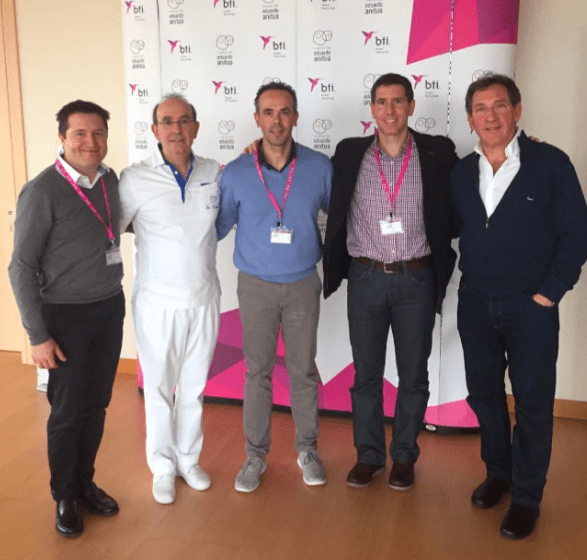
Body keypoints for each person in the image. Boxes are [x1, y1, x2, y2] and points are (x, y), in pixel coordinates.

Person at [451, 74, 587, 539]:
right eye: (480, 108)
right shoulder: (461, 171)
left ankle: (527, 497)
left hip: (531, 308)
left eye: (499, 105)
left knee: (532, 404)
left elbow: (576, 234)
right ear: (470, 119)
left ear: (517, 110)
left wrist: (550, 292)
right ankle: (499, 474)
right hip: (475, 304)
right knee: (484, 395)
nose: (490, 116)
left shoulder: (550, 163)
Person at [323, 73, 458, 491]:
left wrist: (519, 150)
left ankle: (403, 456)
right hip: (365, 276)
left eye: (398, 101)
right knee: (366, 374)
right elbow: (303, 173)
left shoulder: (437, 152)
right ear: (372, 109)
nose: (390, 110)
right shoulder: (349, 153)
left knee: (413, 375)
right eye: (381, 102)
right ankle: (368, 456)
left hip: (417, 278)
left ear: (411, 106)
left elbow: (472, 184)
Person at [8, 100, 125, 538]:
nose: (90, 142)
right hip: (64, 317)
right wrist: (37, 335)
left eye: (98, 133)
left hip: (109, 308)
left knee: (97, 405)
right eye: (79, 133)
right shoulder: (42, 191)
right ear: (62, 138)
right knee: (67, 411)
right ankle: (64, 496)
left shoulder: (109, 180)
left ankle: (84, 483)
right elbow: (20, 268)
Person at [216, 81, 332, 492]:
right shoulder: (236, 172)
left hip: (302, 284)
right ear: (257, 119)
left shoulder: (320, 167)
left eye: (284, 112)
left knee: (303, 371)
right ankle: (255, 455)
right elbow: (219, 226)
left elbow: (341, 219)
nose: (276, 120)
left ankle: (308, 450)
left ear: (295, 117)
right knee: (257, 372)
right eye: (268, 112)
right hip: (255, 286)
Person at [119, 94, 222, 504]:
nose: (176, 129)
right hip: (156, 304)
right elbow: (112, 228)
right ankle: (162, 467)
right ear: (154, 129)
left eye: (184, 120)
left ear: (195, 127)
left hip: (204, 298)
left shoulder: (214, 172)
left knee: (193, 389)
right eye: (167, 121)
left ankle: (188, 460)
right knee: (159, 391)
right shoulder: (134, 178)